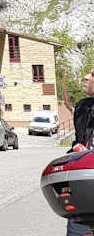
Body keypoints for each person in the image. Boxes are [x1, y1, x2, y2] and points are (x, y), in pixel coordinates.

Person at [67, 70, 94, 236]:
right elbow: (79, 141)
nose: (86, 77)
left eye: (93, 75)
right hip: (84, 199)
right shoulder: (83, 107)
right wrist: (77, 148)